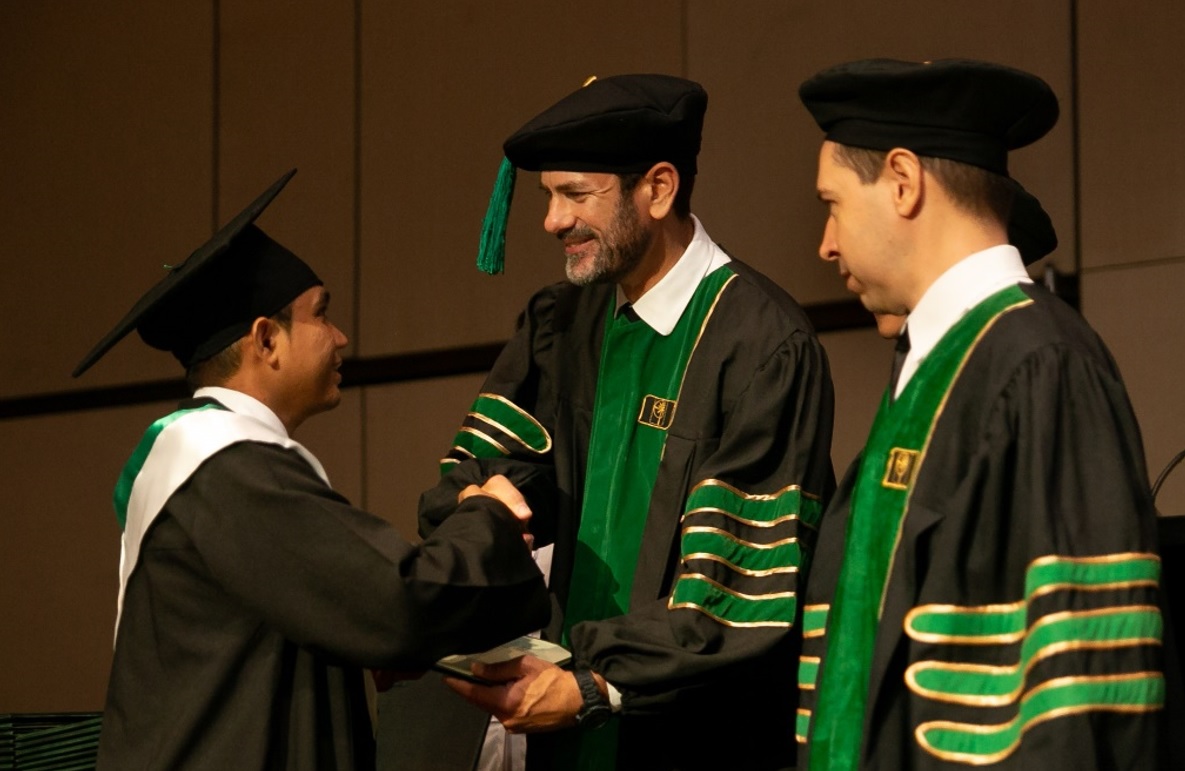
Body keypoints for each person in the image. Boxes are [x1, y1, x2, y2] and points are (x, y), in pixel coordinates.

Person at [413, 74, 836, 770]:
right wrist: (481, 506)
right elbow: (482, 475)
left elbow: (740, 589)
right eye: (548, 195)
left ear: (659, 189)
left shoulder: (761, 343)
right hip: (554, 724)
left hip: (695, 739)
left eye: (576, 194)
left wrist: (598, 687)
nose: (552, 221)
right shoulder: (559, 323)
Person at [72, 170, 550, 770]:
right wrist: (489, 516)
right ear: (266, 340)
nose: (340, 337)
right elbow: (396, 600)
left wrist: (359, 645)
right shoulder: (224, 464)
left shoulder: (207, 464)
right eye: (321, 315)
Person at [794, 58, 1167, 769]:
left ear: (902, 181)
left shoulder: (1040, 366)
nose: (826, 242)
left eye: (832, 203)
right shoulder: (938, 367)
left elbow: (1074, 695)